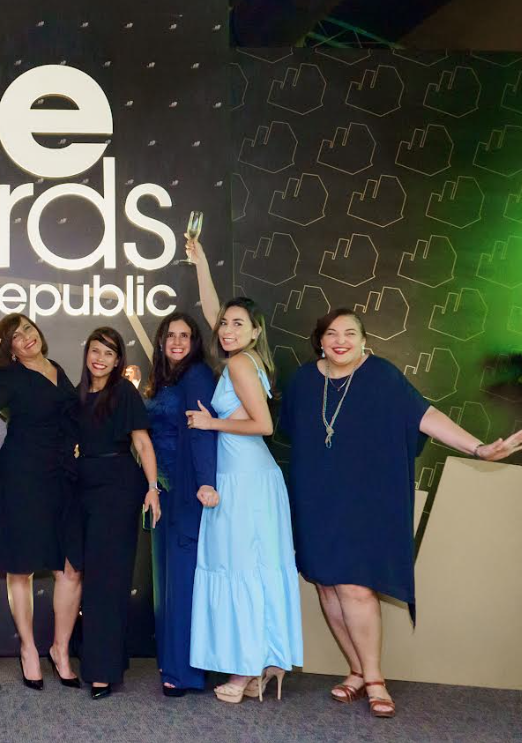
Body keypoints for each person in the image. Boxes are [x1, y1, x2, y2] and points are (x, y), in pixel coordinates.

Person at [281, 308, 522, 718]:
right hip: (314, 497)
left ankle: (375, 679)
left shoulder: (381, 375)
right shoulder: (304, 380)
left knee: (356, 587)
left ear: (365, 340)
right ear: (320, 341)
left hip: (363, 500)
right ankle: (356, 671)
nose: (341, 340)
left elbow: (425, 416)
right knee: (326, 585)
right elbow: (294, 433)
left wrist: (478, 448)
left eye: (350, 333)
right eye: (332, 333)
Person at [186, 237, 303, 704]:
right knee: (251, 569)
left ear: (255, 332)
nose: (227, 329)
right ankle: (263, 664)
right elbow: (214, 311)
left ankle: (244, 671)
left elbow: (263, 425)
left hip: (245, 479)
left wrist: (209, 422)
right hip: (248, 476)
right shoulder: (248, 358)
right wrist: (201, 263)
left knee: (239, 569)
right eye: (224, 323)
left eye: (239, 324)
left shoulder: (238, 364)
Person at [0, 314, 81, 690]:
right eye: (16, 337)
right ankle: (29, 649)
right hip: (24, 477)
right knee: (21, 568)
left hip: (63, 477)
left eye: (28, 329)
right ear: (11, 349)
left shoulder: (57, 368)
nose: (26, 338)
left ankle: (60, 650)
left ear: (38, 331)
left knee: (70, 567)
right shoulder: (7, 376)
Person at [73, 326, 161, 699]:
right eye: (96, 350)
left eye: (109, 353)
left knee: (107, 581)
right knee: (92, 579)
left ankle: (102, 672)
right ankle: (107, 660)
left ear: (117, 360)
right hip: (83, 489)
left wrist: (153, 488)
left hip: (118, 489)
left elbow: (142, 442)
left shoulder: (123, 392)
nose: (100, 359)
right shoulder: (78, 394)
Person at [142, 313, 219, 697]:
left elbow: (203, 432)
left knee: (183, 582)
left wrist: (206, 482)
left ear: (195, 342)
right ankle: (171, 661)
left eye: (184, 335)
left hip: (188, 491)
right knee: (166, 582)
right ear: (161, 340)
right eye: (170, 335)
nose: (176, 341)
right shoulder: (164, 379)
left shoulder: (197, 376)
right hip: (163, 492)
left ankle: (185, 672)